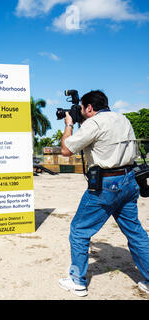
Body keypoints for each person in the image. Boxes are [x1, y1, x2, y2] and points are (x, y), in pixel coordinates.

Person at [58, 90, 149, 297]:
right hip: (128, 180)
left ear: (89, 108)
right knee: (135, 232)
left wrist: (69, 124)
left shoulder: (94, 123)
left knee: (79, 230)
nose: (81, 112)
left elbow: (66, 149)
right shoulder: (122, 119)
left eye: (82, 109)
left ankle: (77, 281)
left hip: (106, 184)